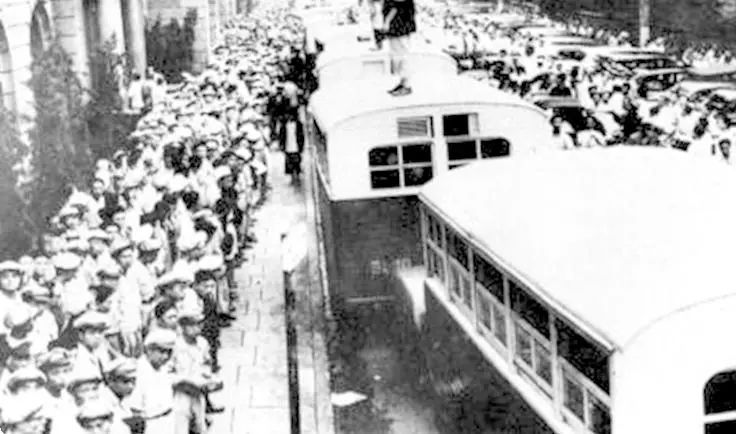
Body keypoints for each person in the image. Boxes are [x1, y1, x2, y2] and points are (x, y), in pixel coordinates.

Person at [383, 0, 416, 96]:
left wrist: (387, 21)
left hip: (400, 24)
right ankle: (403, 83)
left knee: (402, 55)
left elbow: (397, 5)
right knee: (399, 54)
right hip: (399, 24)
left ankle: (406, 85)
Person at [280, 110, 305, 184]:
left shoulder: (298, 124)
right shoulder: (284, 125)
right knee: (289, 163)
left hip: (296, 146)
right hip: (288, 146)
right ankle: (292, 178)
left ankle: (297, 177)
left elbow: (301, 136)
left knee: (297, 163)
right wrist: (282, 145)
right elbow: (281, 136)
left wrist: (301, 146)